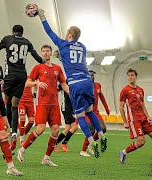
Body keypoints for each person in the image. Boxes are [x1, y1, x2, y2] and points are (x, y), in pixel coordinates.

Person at [35, 9, 107, 158]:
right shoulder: (83, 47)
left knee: (80, 116)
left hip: (75, 83)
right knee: (90, 111)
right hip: (88, 81)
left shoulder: (63, 44)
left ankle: (91, 141)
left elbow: (49, 32)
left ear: (68, 35)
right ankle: (101, 135)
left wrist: (42, 16)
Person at [0, 25, 43, 146]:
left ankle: (10, 130)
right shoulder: (27, 42)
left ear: (13, 32)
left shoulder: (8, 39)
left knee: (8, 102)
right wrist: (45, 61)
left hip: (10, 75)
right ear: (22, 33)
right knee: (15, 105)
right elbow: (38, 59)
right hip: (22, 76)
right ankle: (14, 132)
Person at [17, 44, 69, 166]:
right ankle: (22, 149)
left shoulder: (57, 68)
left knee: (55, 131)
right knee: (40, 129)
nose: (45, 53)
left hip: (54, 104)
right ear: (41, 54)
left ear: (51, 53)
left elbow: (63, 83)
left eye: (47, 51)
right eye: (43, 51)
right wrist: (37, 83)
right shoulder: (38, 68)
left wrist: (69, 92)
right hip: (42, 103)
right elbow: (27, 83)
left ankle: (46, 158)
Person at [80, 70, 110, 156]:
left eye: (92, 75)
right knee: (91, 129)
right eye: (89, 75)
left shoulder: (97, 85)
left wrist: (107, 109)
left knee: (103, 129)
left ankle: (91, 143)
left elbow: (102, 97)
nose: (91, 77)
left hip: (96, 111)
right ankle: (83, 150)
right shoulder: (84, 86)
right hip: (87, 111)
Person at [54, 83, 79, 152]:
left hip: (70, 109)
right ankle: (64, 143)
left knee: (67, 129)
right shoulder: (66, 83)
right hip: (66, 108)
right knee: (75, 127)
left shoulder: (74, 83)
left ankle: (54, 144)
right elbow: (58, 88)